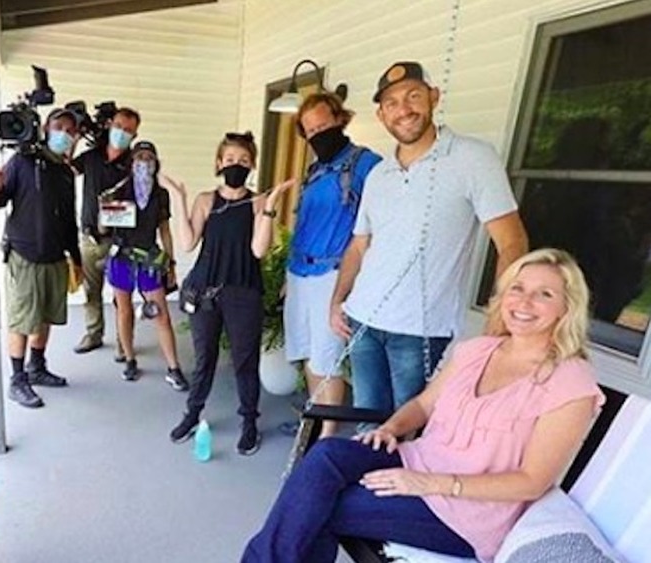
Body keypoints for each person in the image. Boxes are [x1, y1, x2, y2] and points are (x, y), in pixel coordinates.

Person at [244, 248, 605, 563]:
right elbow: (423, 405)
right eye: (518, 288)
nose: (525, 303)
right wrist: (391, 429)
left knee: (319, 507)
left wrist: (426, 483)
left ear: (566, 308)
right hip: (417, 459)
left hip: (465, 514)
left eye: (544, 294)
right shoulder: (478, 350)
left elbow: (531, 482)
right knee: (324, 458)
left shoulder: (570, 381)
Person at [329, 61, 529, 416]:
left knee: (408, 432)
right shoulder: (379, 174)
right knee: (365, 425)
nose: (403, 110)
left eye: (413, 96)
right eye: (391, 103)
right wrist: (338, 300)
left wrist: (501, 319)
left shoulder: (473, 158)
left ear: (433, 97)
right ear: (381, 115)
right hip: (362, 321)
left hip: (419, 330)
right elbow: (360, 245)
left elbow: (511, 243)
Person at [161, 131, 294, 456]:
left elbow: (259, 250)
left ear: (252, 166)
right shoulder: (207, 200)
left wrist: (271, 206)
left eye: (244, 161)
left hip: (244, 292)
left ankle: (249, 421)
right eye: (231, 160)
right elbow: (188, 241)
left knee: (244, 361)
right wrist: (178, 197)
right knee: (204, 358)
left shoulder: (258, 202)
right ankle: (192, 413)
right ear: (219, 163)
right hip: (205, 290)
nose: (237, 165)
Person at [282, 93, 381, 439]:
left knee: (328, 357)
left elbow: (380, 219)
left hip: (332, 274)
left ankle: (326, 435)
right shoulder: (316, 170)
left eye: (324, 125)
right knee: (310, 353)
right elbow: (304, 224)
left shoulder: (365, 164)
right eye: (310, 131)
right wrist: (287, 275)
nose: (317, 134)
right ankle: (315, 417)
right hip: (300, 272)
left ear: (341, 120)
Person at [0, 108, 83, 408]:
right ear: (45, 128)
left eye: (70, 131)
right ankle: (17, 380)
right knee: (22, 319)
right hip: (24, 254)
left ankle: (37, 367)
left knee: (46, 316)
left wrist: (76, 258)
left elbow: (70, 219)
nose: (65, 135)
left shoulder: (65, 172)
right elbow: (0, 200)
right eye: (59, 128)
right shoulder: (22, 161)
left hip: (56, 257)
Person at [101, 140, 186, 388]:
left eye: (149, 158)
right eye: (139, 157)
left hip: (149, 257)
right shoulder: (119, 190)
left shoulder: (161, 195)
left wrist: (171, 264)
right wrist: (104, 210)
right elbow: (103, 229)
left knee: (161, 315)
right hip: (121, 258)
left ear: (156, 163)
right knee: (124, 309)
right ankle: (129, 359)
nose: (144, 162)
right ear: (131, 162)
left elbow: (165, 231)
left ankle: (174, 367)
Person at [72, 108, 142, 359]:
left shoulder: (134, 165)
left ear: (134, 134)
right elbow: (67, 170)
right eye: (119, 126)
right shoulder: (91, 156)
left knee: (121, 297)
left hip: (120, 241)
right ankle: (94, 333)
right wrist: (76, 138)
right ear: (111, 124)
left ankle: (125, 344)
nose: (122, 132)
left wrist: (110, 212)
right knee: (91, 291)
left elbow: (140, 201)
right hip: (89, 237)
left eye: (128, 130)